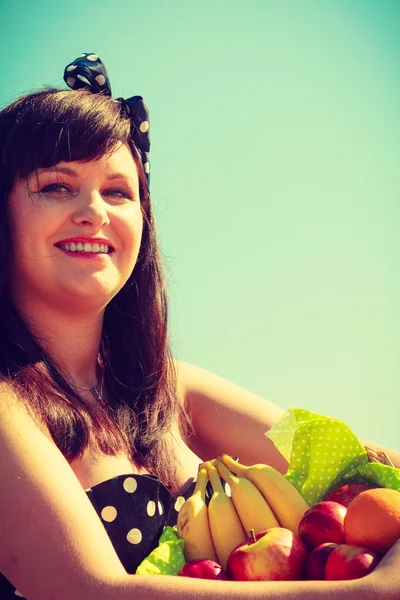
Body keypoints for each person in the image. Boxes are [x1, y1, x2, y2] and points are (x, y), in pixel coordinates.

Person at [0, 53, 399, 600]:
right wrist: (376, 591)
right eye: (56, 187)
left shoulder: (169, 385)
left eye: (119, 191)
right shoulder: (5, 401)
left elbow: (346, 459)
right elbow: (86, 589)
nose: (94, 211)